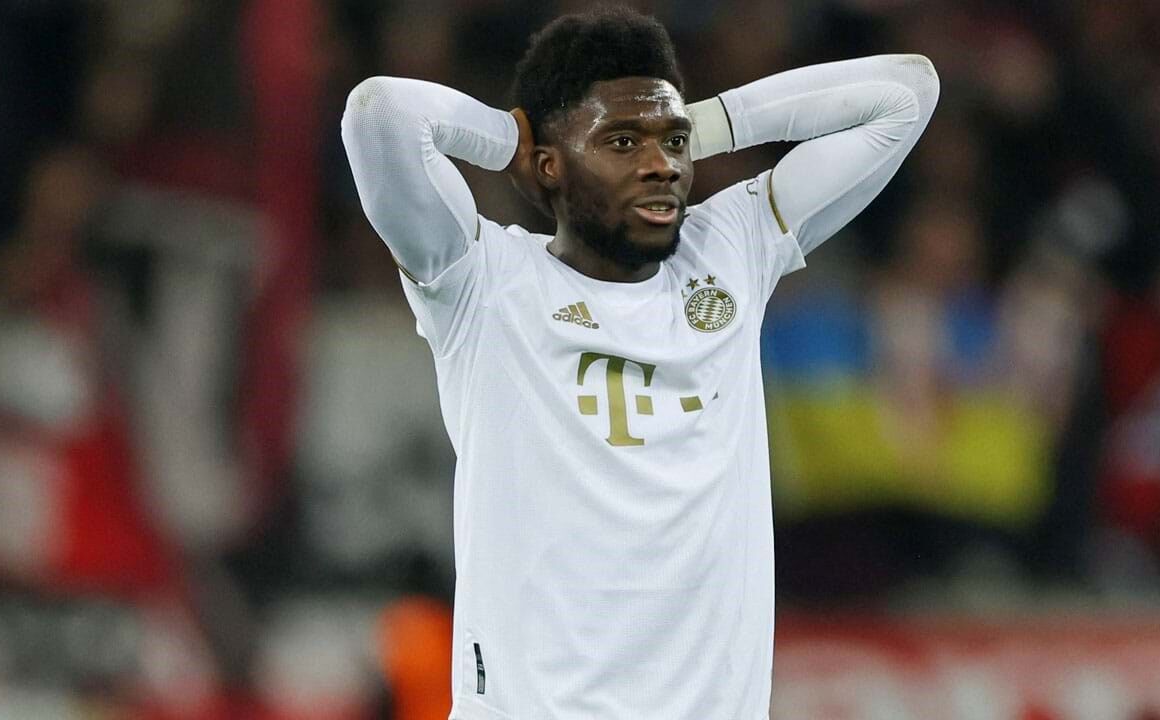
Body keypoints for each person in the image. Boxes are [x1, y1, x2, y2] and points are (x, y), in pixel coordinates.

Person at [342, 6, 937, 719]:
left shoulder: (732, 251)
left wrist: (703, 123)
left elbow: (905, 96)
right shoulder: (483, 282)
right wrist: (513, 137)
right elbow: (379, 114)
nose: (661, 164)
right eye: (622, 141)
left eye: (672, 141)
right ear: (550, 165)